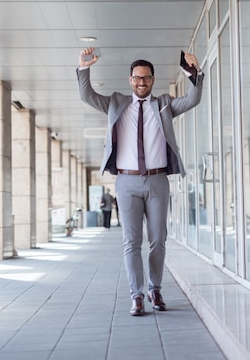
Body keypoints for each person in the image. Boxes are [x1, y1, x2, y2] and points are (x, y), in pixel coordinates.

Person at [76, 47, 204, 316]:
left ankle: (154, 289)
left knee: (158, 240)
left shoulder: (165, 105)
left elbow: (192, 99)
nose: (141, 82)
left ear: (153, 80)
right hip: (126, 182)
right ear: (130, 80)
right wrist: (85, 68)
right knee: (131, 241)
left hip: (158, 181)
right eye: (137, 78)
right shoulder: (115, 103)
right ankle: (136, 296)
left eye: (146, 78)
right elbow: (87, 95)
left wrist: (193, 72)